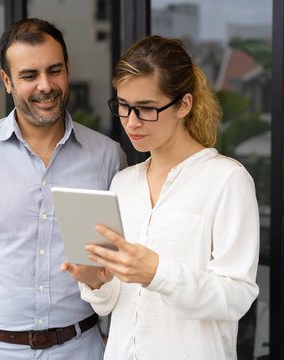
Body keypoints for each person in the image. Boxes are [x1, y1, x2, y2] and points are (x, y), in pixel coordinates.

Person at [0, 18, 126, 360]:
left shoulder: (107, 156)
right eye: (29, 75)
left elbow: (122, 260)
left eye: (54, 70)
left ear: (68, 70)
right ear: (7, 80)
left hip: (83, 348)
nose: (45, 85)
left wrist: (112, 340)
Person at [61, 35, 260, 359]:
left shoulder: (226, 180)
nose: (131, 122)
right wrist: (95, 280)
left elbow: (237, 296)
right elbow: (111, 302)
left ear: (184, 104)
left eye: (147, 109)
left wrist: (158, 273)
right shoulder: (123, 184)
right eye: (123, 107)